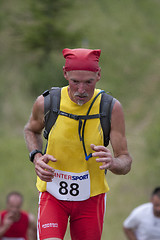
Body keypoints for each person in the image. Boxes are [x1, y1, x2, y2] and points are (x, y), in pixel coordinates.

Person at [24, 48, 132, 240]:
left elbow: (125, 160)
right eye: (75, 82)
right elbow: (31, 130)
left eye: (88, 82)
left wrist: (114, 163)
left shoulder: (110, 107)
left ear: (98, 75)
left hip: (91, 199)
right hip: (53, 194)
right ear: (65, 74)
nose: (81, 90)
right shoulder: (48, 102)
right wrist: (36, 156)